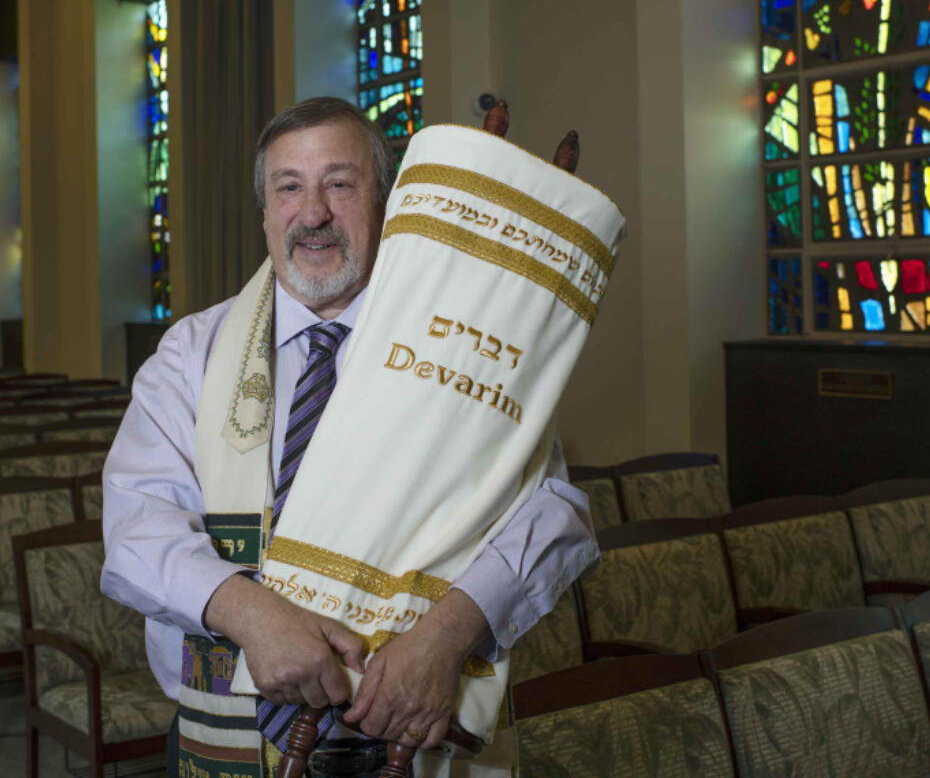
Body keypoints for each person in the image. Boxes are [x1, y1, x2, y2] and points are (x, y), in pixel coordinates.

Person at [100, 97, 597, 775]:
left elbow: (556, 511)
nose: (313, 213)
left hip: (423, 725)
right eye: (289, 187)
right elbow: (135, 528)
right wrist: (249, 613)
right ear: (265, 211)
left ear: (386, 202)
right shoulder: (194, 353)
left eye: (339, 183)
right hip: (235, 730)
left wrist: (448, 636)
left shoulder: (460, 347)